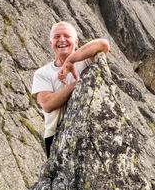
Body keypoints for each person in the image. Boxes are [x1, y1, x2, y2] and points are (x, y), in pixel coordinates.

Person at [31, 21, 110, 157]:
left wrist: (70, 61)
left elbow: (103, 44)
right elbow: (48, 105)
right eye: (56, 37)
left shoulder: (85, 61)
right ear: (51, 43)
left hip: (88, 128)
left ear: (76, 41)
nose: (62, 40)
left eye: (66, 36)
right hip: (54, 136)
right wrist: (75, 84)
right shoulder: (42, 73)